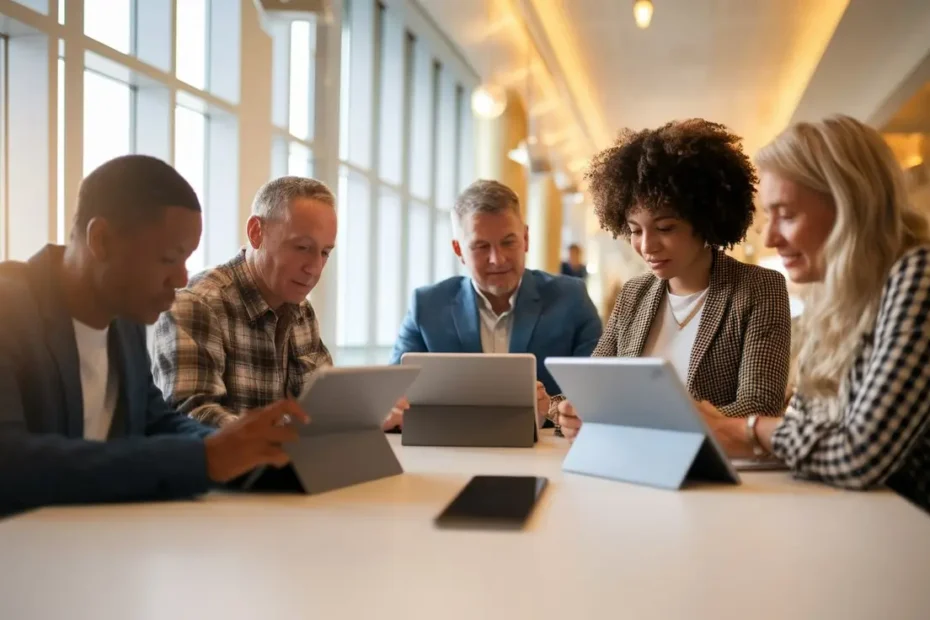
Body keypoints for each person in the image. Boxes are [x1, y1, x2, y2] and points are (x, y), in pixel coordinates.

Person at [0, 155, 307, 516]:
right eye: (168, 258)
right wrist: (204, 459)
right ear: (101, 240)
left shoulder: (123, 318)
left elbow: (154, 422)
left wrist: (247, 452)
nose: (180, 279)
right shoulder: (11, 309)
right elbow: (10, 461)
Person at [699, 115, 930, 513]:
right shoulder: (835, 297)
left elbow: (859, 455)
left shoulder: (919, 275)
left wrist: (744, 429)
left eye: (786, 215)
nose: (771, 237)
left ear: (852, 208)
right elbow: (807, 430)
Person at [557, 119, 792, 439]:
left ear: (706, 220)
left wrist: (635, 421)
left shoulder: (758, 289)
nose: (647, 246)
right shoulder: (634, 294)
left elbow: (760, 405)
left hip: (713, 475)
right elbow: (597, 391)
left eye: (665, 228)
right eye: (636, 231)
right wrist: (565, 410)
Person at [152, 177, 405, 432]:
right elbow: (194, 419)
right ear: (256, 232)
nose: (315, 268)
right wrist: (313, 427)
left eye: (325, 252)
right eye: (302, 247)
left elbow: (325, 406)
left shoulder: (301, 311)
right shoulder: (197, 306)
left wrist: (362, 413)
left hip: (294, 468)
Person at [390, 179, 602, 426]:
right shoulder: (426, 306)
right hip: (450, 455)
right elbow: (393, 396)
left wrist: (552, 408)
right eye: (481, 246)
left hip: (546, 457)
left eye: (508, 242)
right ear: (459, 250)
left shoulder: (571, 298)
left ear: (525, 239)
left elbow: (599, 395)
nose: (497, 259)